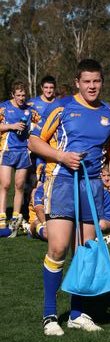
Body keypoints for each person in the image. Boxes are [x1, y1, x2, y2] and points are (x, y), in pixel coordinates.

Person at [28, 59, 110, 336]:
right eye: (87, 81)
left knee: (84, 251)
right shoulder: (62, 108)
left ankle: (78, 313)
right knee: (57, 248)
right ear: (78, 83)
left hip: (92, 187)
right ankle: (50, 315)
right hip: (62, 183)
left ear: (101, 82)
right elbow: (35, 141)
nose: (92, 86)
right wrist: (61, 156)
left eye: (97, 81)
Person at [0, 81, 39, 238]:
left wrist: (34, 130)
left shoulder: (30, 111)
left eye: (24, 95)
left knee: (19, 185)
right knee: (5, 184)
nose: (21, 98)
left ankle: (16, 218)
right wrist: (11, 126)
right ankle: (2, 217)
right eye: (18, 95)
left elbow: (41, 125)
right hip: (7, 150)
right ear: (12, 95)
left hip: (24, 151)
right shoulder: (4, 108)